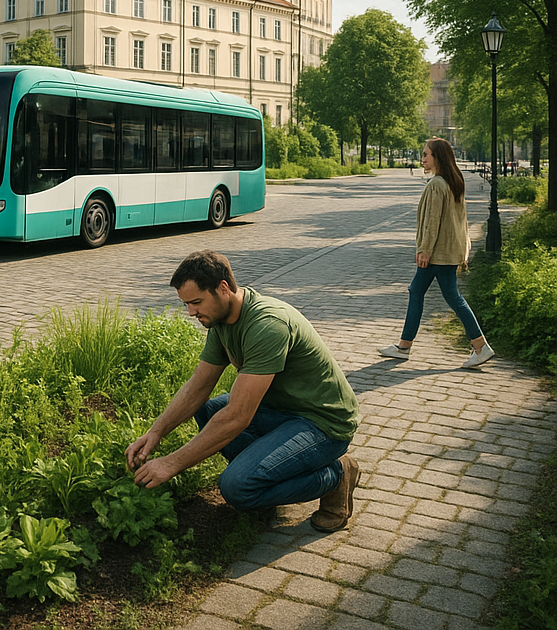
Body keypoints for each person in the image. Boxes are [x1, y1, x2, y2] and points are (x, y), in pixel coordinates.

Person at [126, 251, 361, 533]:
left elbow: (238, 416)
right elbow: (198, 386)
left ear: (223, 288)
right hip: (282, 411)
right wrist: (156, 432)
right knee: (208, 409)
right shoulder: (221, 321)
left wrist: (171, 464)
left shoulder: (267, 325)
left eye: (196, 302)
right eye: (186, 304)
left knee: (237, 487)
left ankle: (336, 474)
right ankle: (271, 474)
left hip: (322, 422)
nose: (190, 312)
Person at [378, 137, 493, 369]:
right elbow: (460, 221)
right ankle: (404, 346)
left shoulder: (437, 184)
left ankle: (480, 346)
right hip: (447, 251)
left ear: (437, 157)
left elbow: (432, 222)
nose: (422, 159)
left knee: (444, 295)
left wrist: (424, 250)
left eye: (426, 154)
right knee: (425, 292)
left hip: (438, 253)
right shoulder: (453, 181)